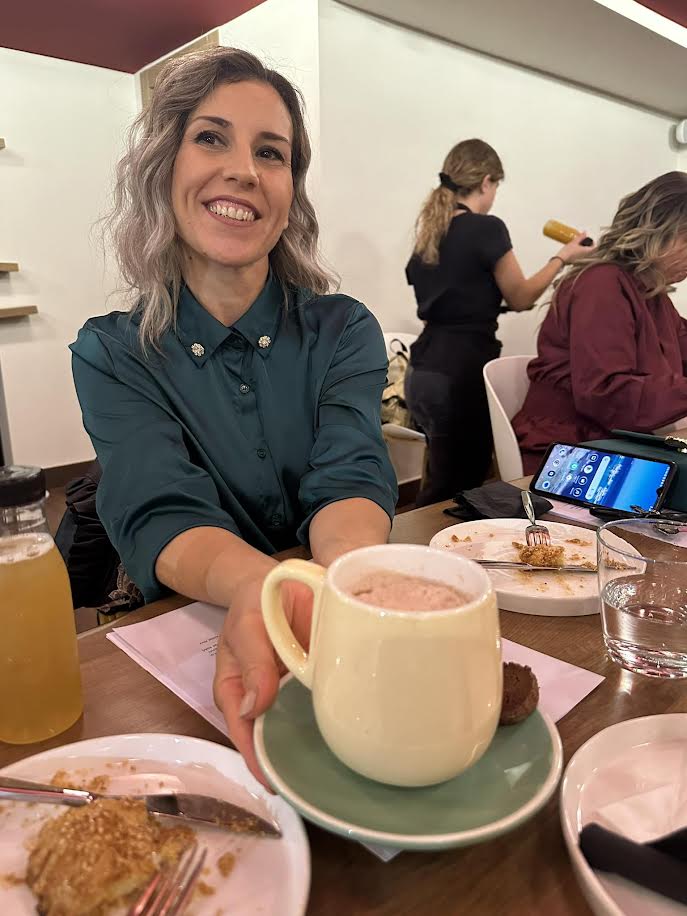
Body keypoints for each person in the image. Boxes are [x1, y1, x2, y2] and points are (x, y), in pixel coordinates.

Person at [70, 47, 397, 784]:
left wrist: (339, 589)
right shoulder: (112, 352)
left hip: (327, 619)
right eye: (211, 138)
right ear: (165, 168)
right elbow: (159, 506)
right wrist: (264, 587)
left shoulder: (344, 328)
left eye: (270, 152)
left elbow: (350, 473)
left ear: (290, 193)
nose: (244, 170)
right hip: (183, 653)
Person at [405, 139, 591, 505]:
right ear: (486, 181)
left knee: (444, 477)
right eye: (496, 187)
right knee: (459, 485)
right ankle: (416, 539)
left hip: (423, 372)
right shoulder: (486, 228)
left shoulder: (430, 234)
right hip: (459, 372)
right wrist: (563, 258)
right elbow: (521, 296)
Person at [513, 171, 687, 473]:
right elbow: (608, 395)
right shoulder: (601, 285)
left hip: (615, 443)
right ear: (660, 232)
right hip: (570, 456)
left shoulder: (652, 294)